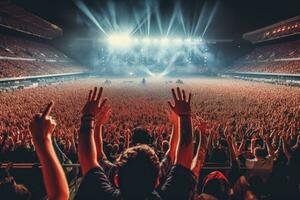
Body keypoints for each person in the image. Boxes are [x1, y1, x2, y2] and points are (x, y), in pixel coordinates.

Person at [75, 87, 199, 200]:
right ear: (157, 180)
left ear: (116, 180)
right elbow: (179, 156)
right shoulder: (170, 196)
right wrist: (182, 117)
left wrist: (90, 118)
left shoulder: (105, 193)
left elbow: (93, 157)